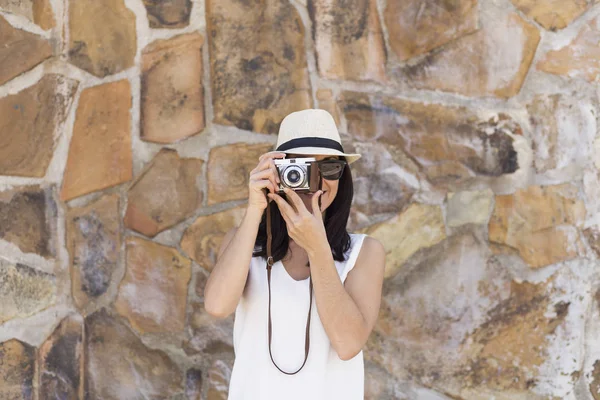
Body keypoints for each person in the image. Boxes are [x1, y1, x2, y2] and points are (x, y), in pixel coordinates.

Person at [204, 108, 386, 399]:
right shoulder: (244, 244)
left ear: (343, 177)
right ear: (276, 173)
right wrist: (255, 209)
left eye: (329, 168)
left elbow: (348, 343)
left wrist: (318, 249)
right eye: (301, 168)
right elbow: (216, 306)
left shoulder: (364, 252)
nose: (315, 180)